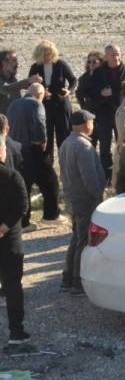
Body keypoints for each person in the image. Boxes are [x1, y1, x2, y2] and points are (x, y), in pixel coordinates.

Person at [59, 110, 104, 295]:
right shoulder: (84, 147)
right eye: (92, 122)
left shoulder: (66, 142)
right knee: (83, 241)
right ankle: (78, 282)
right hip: (85, 200)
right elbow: (90, 179)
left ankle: (67, 279)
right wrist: (98, 197)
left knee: (76, 238)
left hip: (71, 198)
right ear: (86, 124)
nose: (93, 125)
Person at [7, 83, 60, 227]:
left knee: (23, 187)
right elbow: (39, 123)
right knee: (51, 183)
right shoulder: (37, 104)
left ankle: (24, 222)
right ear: (40, 95)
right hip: (33, 149)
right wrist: (42, 141)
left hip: (14, 149)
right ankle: (51, 216)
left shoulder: (13, 104)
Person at [82, 44, 125, 182]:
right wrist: (101, 93)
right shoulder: (100, 72)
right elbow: (90, 91)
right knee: (105, 147)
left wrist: (113, 94)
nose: (116, 57)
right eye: (112, 55)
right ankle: (106, 177)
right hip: (103, 114)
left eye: (118, 54)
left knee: (124, 143)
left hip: (122, 113)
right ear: (106, 57)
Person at [0, 138, 28, 345]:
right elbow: (22, 205)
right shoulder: (11, 176)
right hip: (10, 241)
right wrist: (5, 227)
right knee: (12, 286)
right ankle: (16, 332)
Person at [29, 39, 75, 150]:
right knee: (46, 138)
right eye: (44, 52)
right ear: (39, 53)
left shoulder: (60, 64)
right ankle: (47, 166)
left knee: (64, 137)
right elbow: (29, 85)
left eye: (49, 52)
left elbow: (73, 80)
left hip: (61, 104)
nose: (47, 55)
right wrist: (40, 90)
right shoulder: (35, 67)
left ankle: (65, 165)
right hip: (43, 106)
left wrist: (69, 90)